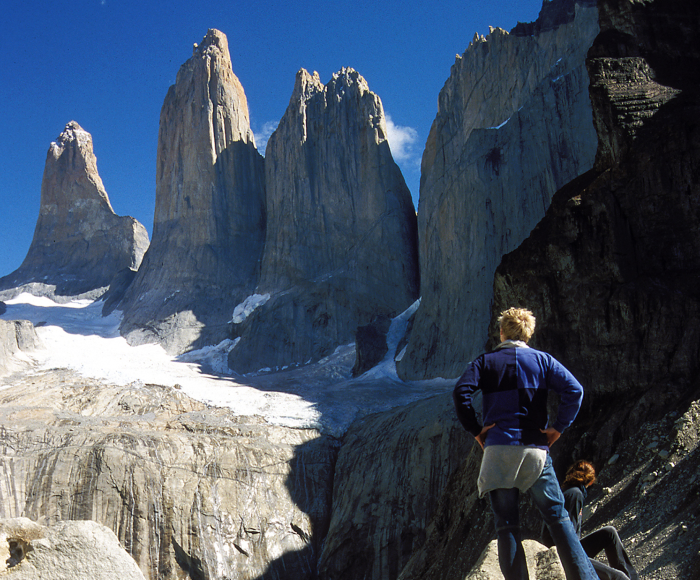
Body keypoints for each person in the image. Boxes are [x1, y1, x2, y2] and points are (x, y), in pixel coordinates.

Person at [453, 307, 597, 580]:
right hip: (535, 449)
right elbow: (574, 390)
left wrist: (476, 430)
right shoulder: (543, 360)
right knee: (558, 518)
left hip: (498, 451)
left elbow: (461, 392)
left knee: (507, 527)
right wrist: (557, 428)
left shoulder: (486, 361)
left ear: (501, 332)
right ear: (529, 333)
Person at [556, 461, 638, 580]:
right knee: (619, 577)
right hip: (567, 553)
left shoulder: (568, 492)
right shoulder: (575, 495)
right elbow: (568, 535)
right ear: (591, 480)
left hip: (569, 547)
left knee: (609, 532)